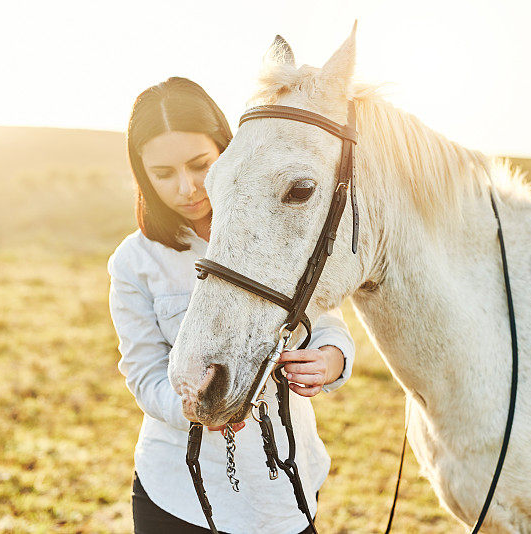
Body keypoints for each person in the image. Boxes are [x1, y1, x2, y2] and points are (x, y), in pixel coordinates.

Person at [107, 77, 355, 534]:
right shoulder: (136, 260)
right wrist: (194, 409)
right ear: (143, 176)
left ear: (228, 147)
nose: (186, 188)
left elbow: (326, 320)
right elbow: (142, 373)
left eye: (201, 164)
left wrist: (332, 360)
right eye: (163, 174)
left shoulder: (276, 224)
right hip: (179, 495)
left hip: (284, 489)